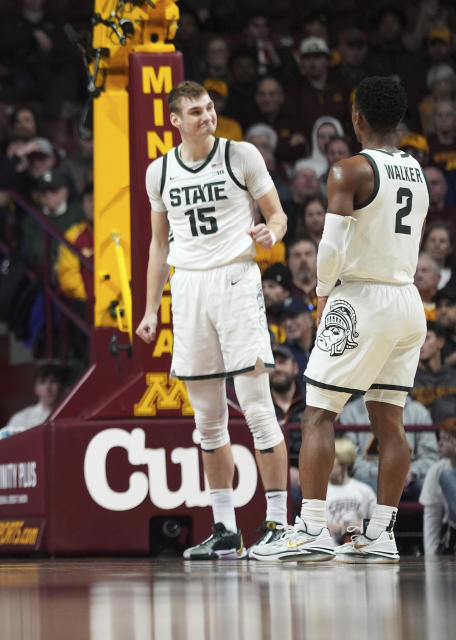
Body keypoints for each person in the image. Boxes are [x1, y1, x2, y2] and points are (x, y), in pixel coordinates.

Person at [251, 76, 428, 563]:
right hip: (408, 301)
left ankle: (308, 530)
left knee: (318, 412)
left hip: (362, 298)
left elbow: (330, 247)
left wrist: (324, 294)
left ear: (357, 118)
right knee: (388, 421)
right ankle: (382, 535)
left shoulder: (347, 171)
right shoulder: (417, 171)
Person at [136, 80, 290, 559]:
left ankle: (279, 525)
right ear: (175, 120)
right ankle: (225, 528)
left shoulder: (240, 155)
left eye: (209, 107)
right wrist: (149, 309)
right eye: (196, 111)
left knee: (258, 408)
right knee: (207, 421)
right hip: (187, 288)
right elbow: (159, 245)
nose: (207, 116)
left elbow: (279, 215)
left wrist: (271, 232)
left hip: (236, 280)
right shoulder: (158, 172)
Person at [0, 362, 66, 514]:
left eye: (53, 382)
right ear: (36, 388)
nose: (48, 388)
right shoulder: (20, 419)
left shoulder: (69, 417)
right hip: (28, 485)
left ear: (62, 386)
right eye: (43, 382)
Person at [337, 394, 437, 501]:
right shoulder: (351, 412)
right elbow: (351, 459)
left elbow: (430, 456)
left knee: (429, 491)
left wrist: (410, 473)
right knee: (367, 491)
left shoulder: (418, 411)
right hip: (370, 478)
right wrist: (379, 473)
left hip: (411, 477)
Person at [420, 402, 456, 556]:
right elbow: (431, 517)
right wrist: (431, 556)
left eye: (446, 439)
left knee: (447, 476)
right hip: (453, 532)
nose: (439, 444)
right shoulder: (436, 470)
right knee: (445, 475)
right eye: (439, 438)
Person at [326, 437, 377, 544]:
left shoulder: (364, 491)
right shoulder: (318, 492)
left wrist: (362, 526)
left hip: (359, 551)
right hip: (328, 552)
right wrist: (325, 527)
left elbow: (381, 524)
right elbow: (306, 526)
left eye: (330, 459)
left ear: (344, 463)